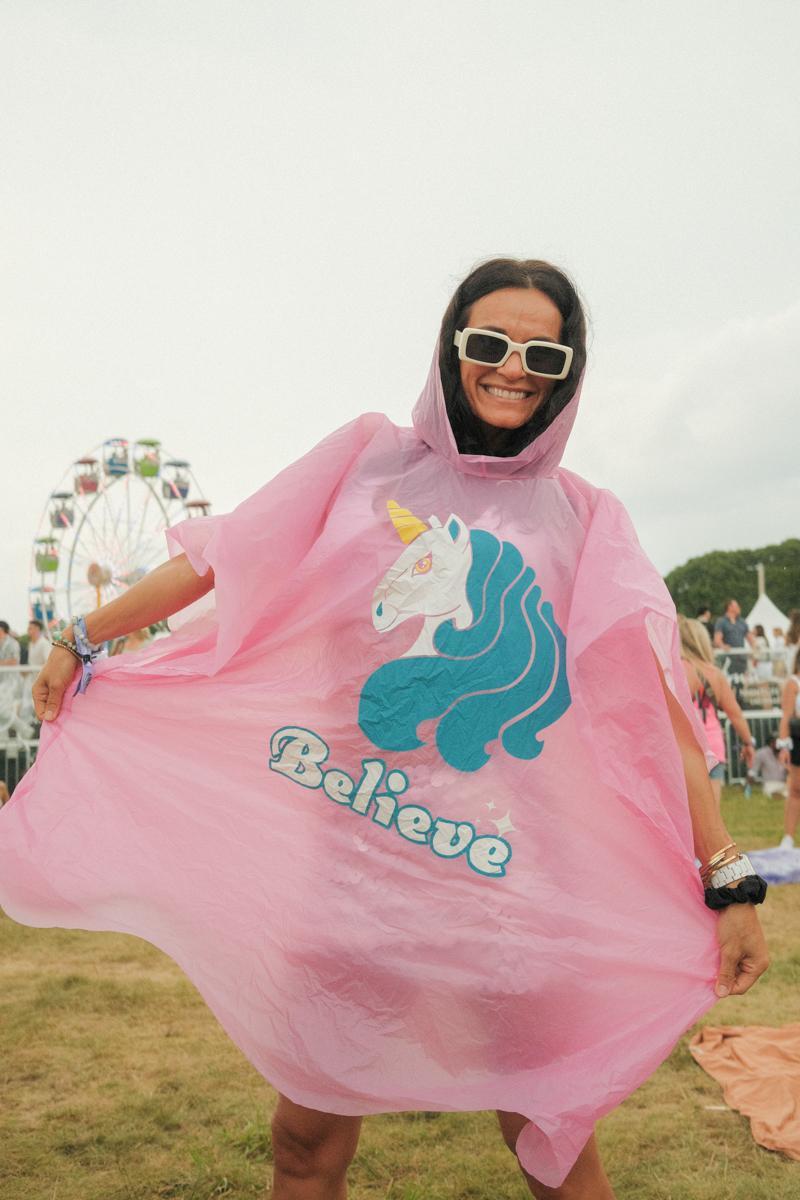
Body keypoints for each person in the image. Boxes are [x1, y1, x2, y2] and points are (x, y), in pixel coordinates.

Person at [0, 258, 770, 1200]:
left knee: (549, 1139)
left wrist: (728, 874)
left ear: (569, 370)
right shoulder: (367, 460)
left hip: (511, 874)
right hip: (355, 862)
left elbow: (646, 712)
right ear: (453, 348)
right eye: (490, 343)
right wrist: (84, 635)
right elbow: (223, 560)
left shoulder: (585, 519)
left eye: (543, 351)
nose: (513, 367)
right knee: (306, 1141)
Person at [679, 616, 755, 804]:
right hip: (712, 746)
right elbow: (735, 714)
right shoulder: (715, 674)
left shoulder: (675, 670)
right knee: (712, 814)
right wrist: (748, 743)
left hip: (684, 747)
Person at [776, 653, 800, 850]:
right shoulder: (793, 683)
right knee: (795, 789)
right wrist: (784, 745)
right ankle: (788, 838)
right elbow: (786, 716)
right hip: (798, 739)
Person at [713, 599, 753, 678]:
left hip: (741, 659)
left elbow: (750, 638)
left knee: (741, 682)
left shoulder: (742, 621)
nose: (739, 608)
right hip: (728, 659)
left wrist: (755, 647)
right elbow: (717, 640)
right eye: (737, 606)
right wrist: (723, 646)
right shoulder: (721, 621)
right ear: (730, 607)